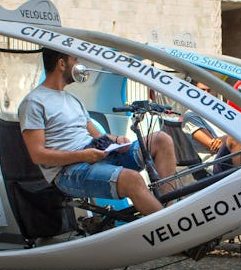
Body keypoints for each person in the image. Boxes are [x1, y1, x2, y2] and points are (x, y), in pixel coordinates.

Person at [18, 48, 177, 215]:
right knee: (133, 180)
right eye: (76, 60)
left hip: (96, 156)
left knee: (161, 139)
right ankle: (171, 226)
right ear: (62, 63)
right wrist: (83, 156)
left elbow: (98, 136)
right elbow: (38, 155)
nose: (79, 65)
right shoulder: (34, 102)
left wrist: (117, 140)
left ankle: (167, 209)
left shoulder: (73, 99)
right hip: (68, 172)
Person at [181, 81, 241, 173]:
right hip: (216, 162)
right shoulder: (190, 116)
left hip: (233, 151)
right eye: (202, 90)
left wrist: (225, 138)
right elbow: (212, 145)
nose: (206, 94)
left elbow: (239, 129)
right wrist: (230, 137)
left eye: (209, 91)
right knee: (235, 138)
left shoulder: (217, 111)